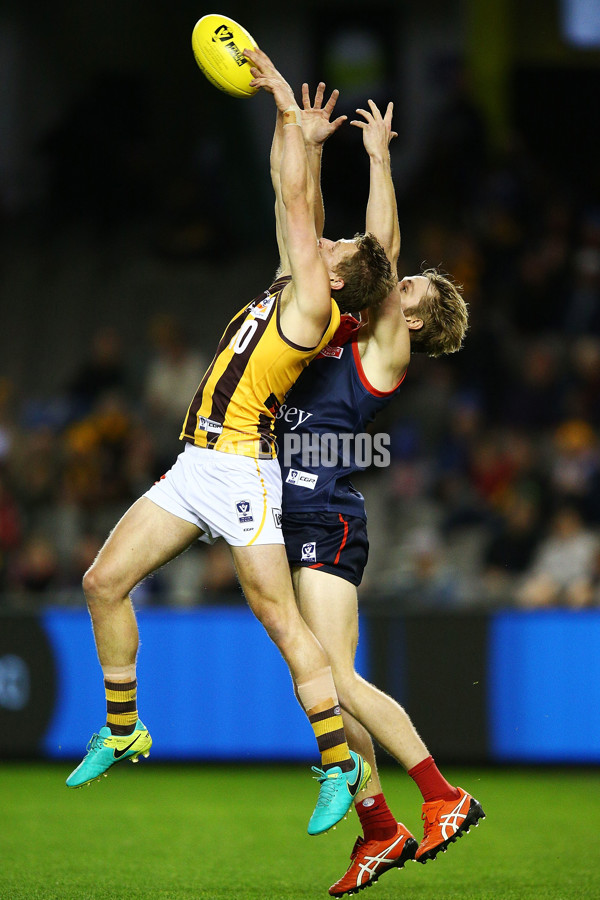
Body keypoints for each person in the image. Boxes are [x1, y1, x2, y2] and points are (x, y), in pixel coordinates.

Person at [66, 44, 398, 838]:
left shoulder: (318, 301)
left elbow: (294, 203)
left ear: (342, 278)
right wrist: (313, 144)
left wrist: (286, 105)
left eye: (341, 247)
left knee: (283, 625)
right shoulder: (306, 281)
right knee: (102, 581)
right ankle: (122, 727)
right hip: (194, 464)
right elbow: (304, 212)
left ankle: (337, 765)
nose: (331, 239)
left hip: (243, 470)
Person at [264, 64, 483, 895]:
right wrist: (367, 158)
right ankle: (379, 830)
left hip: (328, 507)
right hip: (298, 504)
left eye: (414, 289)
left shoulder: (384, 348)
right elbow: (365, 250)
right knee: (319, 684)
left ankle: (441, 796)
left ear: (417, 319)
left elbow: (380, 249)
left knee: (339, 679)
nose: (402, 281)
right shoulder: (341, 324)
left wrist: (382, 167)